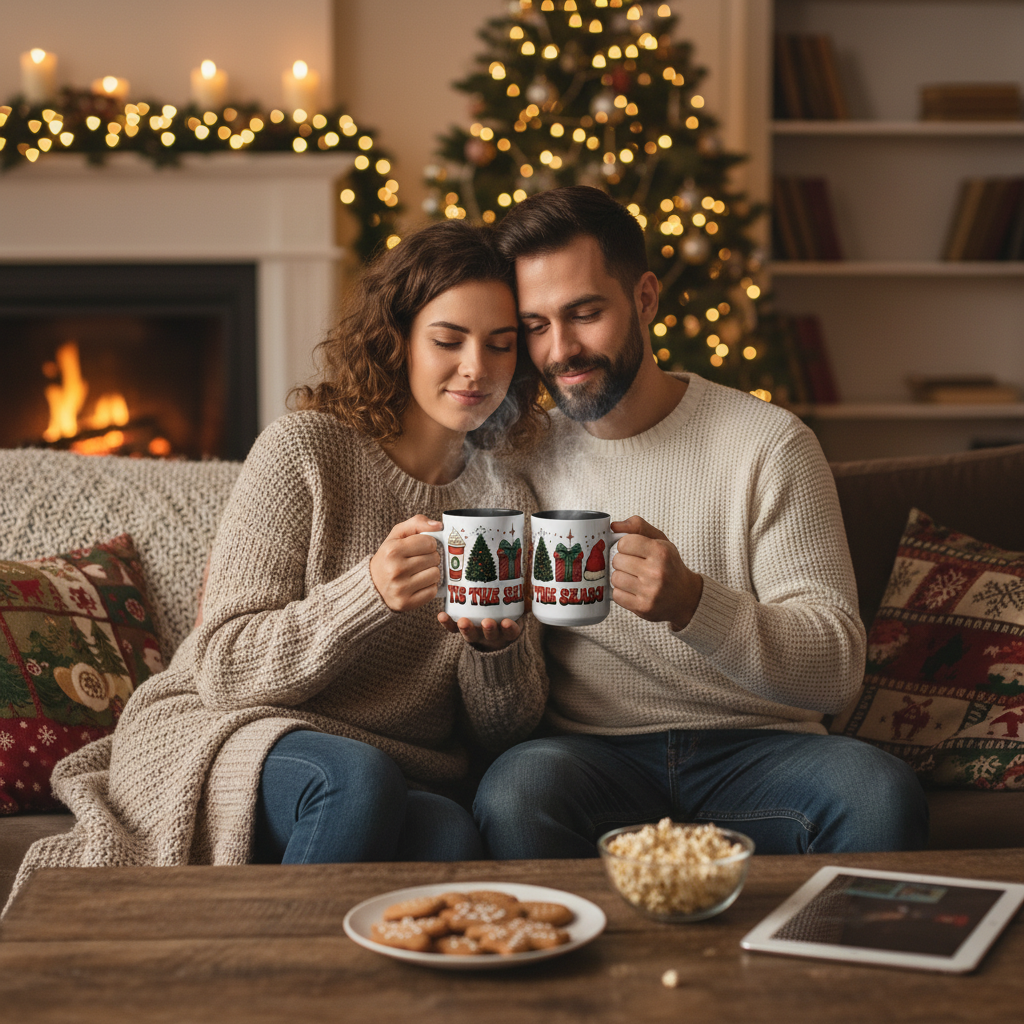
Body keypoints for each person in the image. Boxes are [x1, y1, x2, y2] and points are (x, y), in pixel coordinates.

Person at [5, 221, 549, 910]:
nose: (477, 368)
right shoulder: (307, 453)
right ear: (400, 340)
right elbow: (224, 668)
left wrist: (492, 650)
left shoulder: (508, 501)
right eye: (448, 340)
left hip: (403, 764)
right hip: (231, 729)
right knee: (355, 780)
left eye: (501, 346)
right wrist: (368, 593)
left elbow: (505, 732)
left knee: (447, 834)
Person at [473, 185, 929, 857]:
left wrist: (693, 603)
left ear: (645, 298)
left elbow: (837, 672)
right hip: (592, 756)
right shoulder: (521, 453)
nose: (560, 349)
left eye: (585, 313)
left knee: (878, 794)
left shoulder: (768, 443)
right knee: (514, 794)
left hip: (765, 752)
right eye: (536, 325)